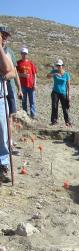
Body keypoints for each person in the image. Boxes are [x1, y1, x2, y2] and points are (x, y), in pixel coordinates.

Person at [0, 37, 15, 183]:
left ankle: (3, 165)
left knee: (3, 132)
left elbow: (9, 70)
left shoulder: (5, 53)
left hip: (0, 98)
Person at [47, 59, 71, 126]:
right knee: (54, 106)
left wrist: (69, 95)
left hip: (63, 93)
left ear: (62, 66)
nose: (58, 66)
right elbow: (47, 77)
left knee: (65, 107)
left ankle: (67, 121)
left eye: (59, 65)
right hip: (55, 92)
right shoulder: (54, 71)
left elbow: (68, 86)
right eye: (57, 65)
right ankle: (54, 121)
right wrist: (54, 74)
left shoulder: (66, 74)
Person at [16, 47, 37, 119]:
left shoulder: (31, 63)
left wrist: (35, 84)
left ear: (27, 54)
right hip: (22, 85)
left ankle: (33, 114)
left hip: (31, 85)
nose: (24, 55)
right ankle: (25, 114)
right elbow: (15, 73)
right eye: (23, 53)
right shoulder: (18, 63)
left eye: (25, 54)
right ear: (21, 54)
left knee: (32, 101)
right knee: (24, 101)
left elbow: (34, 74)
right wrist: (22, 75)